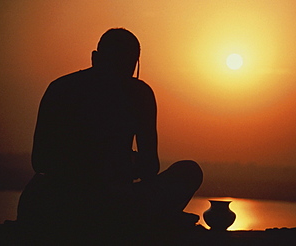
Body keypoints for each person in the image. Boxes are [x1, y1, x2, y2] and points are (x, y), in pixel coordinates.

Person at [17, 28, 203, 242]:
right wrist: (116, 166)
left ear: (95, 58)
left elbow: (40, 161)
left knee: (188, 171)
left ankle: (148, 219)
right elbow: (149, 168)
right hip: (76, 204)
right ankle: (155, 220)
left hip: (72, 203)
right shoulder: (138, 94)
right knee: (187, 173)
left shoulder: (61, 88)